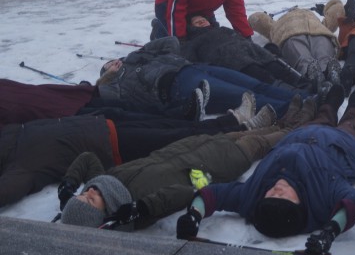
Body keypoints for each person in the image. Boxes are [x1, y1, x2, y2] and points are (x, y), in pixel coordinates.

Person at [58, 96, 317, 230]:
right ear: (105, 217)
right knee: (261, 142)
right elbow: (183, 193)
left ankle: (288, 121)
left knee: (251, 133)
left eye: (82, 195)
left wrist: (69, 184)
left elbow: (87, 159)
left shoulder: (106, 182)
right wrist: (142, 207)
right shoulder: (133, 210)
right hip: (215, 164)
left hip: (193, 147)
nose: (89, 192)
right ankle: (305, 125)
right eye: (90, 201)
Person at [176, 85, 355, 255]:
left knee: (322, 117)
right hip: (339, 146)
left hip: (299, 136)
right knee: (349, 126)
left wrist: (194, 214)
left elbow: (214, 195)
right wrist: (331, 230)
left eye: (271, 195)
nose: (276, 190)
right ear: (299, 203)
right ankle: (353, 110)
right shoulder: (322, 198)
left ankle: (330, 105)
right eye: (282, 196)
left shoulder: (251, 197)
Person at [0, 94, 267, 208]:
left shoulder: (11, 132)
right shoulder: (20, 166)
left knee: (174, 126)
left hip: (103, 124)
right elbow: (7, 190)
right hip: (113, 148)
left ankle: (233, 120)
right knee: (180, 137)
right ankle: (242, 127)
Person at [96, 37, 305, 118]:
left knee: (257, 85)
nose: (113, 64)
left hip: (196, 68)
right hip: (180, 87)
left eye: (113, 61)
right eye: (107, 67)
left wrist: (142, 52)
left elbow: (171, 42)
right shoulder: (118, 86)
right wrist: (107, 78)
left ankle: (305, 98)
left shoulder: (137, 57)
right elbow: (102, 94)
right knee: (246, 96)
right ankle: (300, 111)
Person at [181, 14, 309, 89]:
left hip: (249, 50)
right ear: (191, 28)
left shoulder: (224, 29)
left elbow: (241, 38)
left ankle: (305, 84)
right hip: (230, 59)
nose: (202, 22)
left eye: (203, 20)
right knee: (260, 74)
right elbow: (191, 62)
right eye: (197, 22)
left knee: (275, 65)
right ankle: (293, 94)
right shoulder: (194, 41)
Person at [248, 0, 344, 88]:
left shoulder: (276, 25)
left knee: (321, 56)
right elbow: (256, 19)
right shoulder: (275, 25)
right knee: (306, 59)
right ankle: (316, 74)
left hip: (315, 32)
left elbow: (255, 19)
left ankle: (326, 72)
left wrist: (325, 9)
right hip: (292, 34)